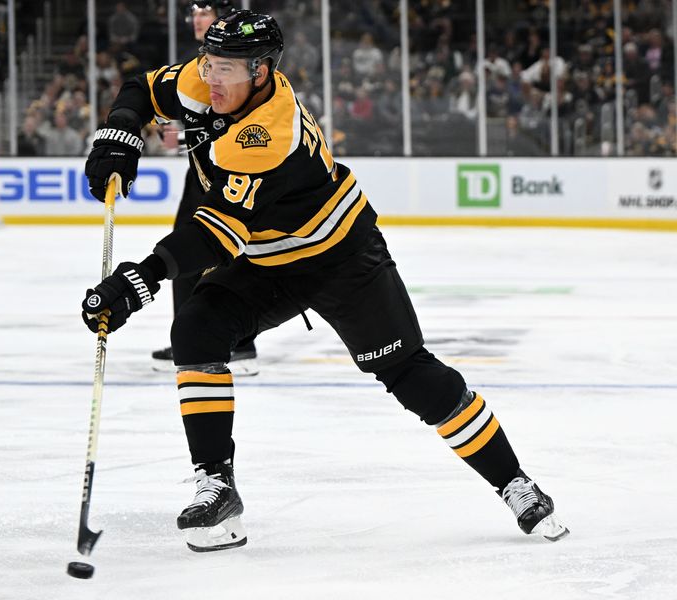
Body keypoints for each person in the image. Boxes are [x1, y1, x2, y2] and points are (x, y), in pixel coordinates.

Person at [81, 11, 569, 553]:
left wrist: (137, 281)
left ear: (261, 72)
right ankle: (217, 486)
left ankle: (514, 483)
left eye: (226, 69)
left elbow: (215, 235)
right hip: (271, 260)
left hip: (341, 257)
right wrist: (117, 137)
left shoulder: (268, 132)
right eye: (208, 63)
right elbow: (142, 88)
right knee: (196, 331)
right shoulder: (207, 79)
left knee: (410, 374)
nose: (211, 78)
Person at [149, 0, 260, 377]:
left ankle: (217, 339)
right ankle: (210, 337)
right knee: (205, 248)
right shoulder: (202, 60)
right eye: (193, 14)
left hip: (224, 170)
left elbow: (230, 121)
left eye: (204, 12)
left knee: (202, 247)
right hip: (203, 170)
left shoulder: (234, 59)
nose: (196, 19)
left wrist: (183, 135)